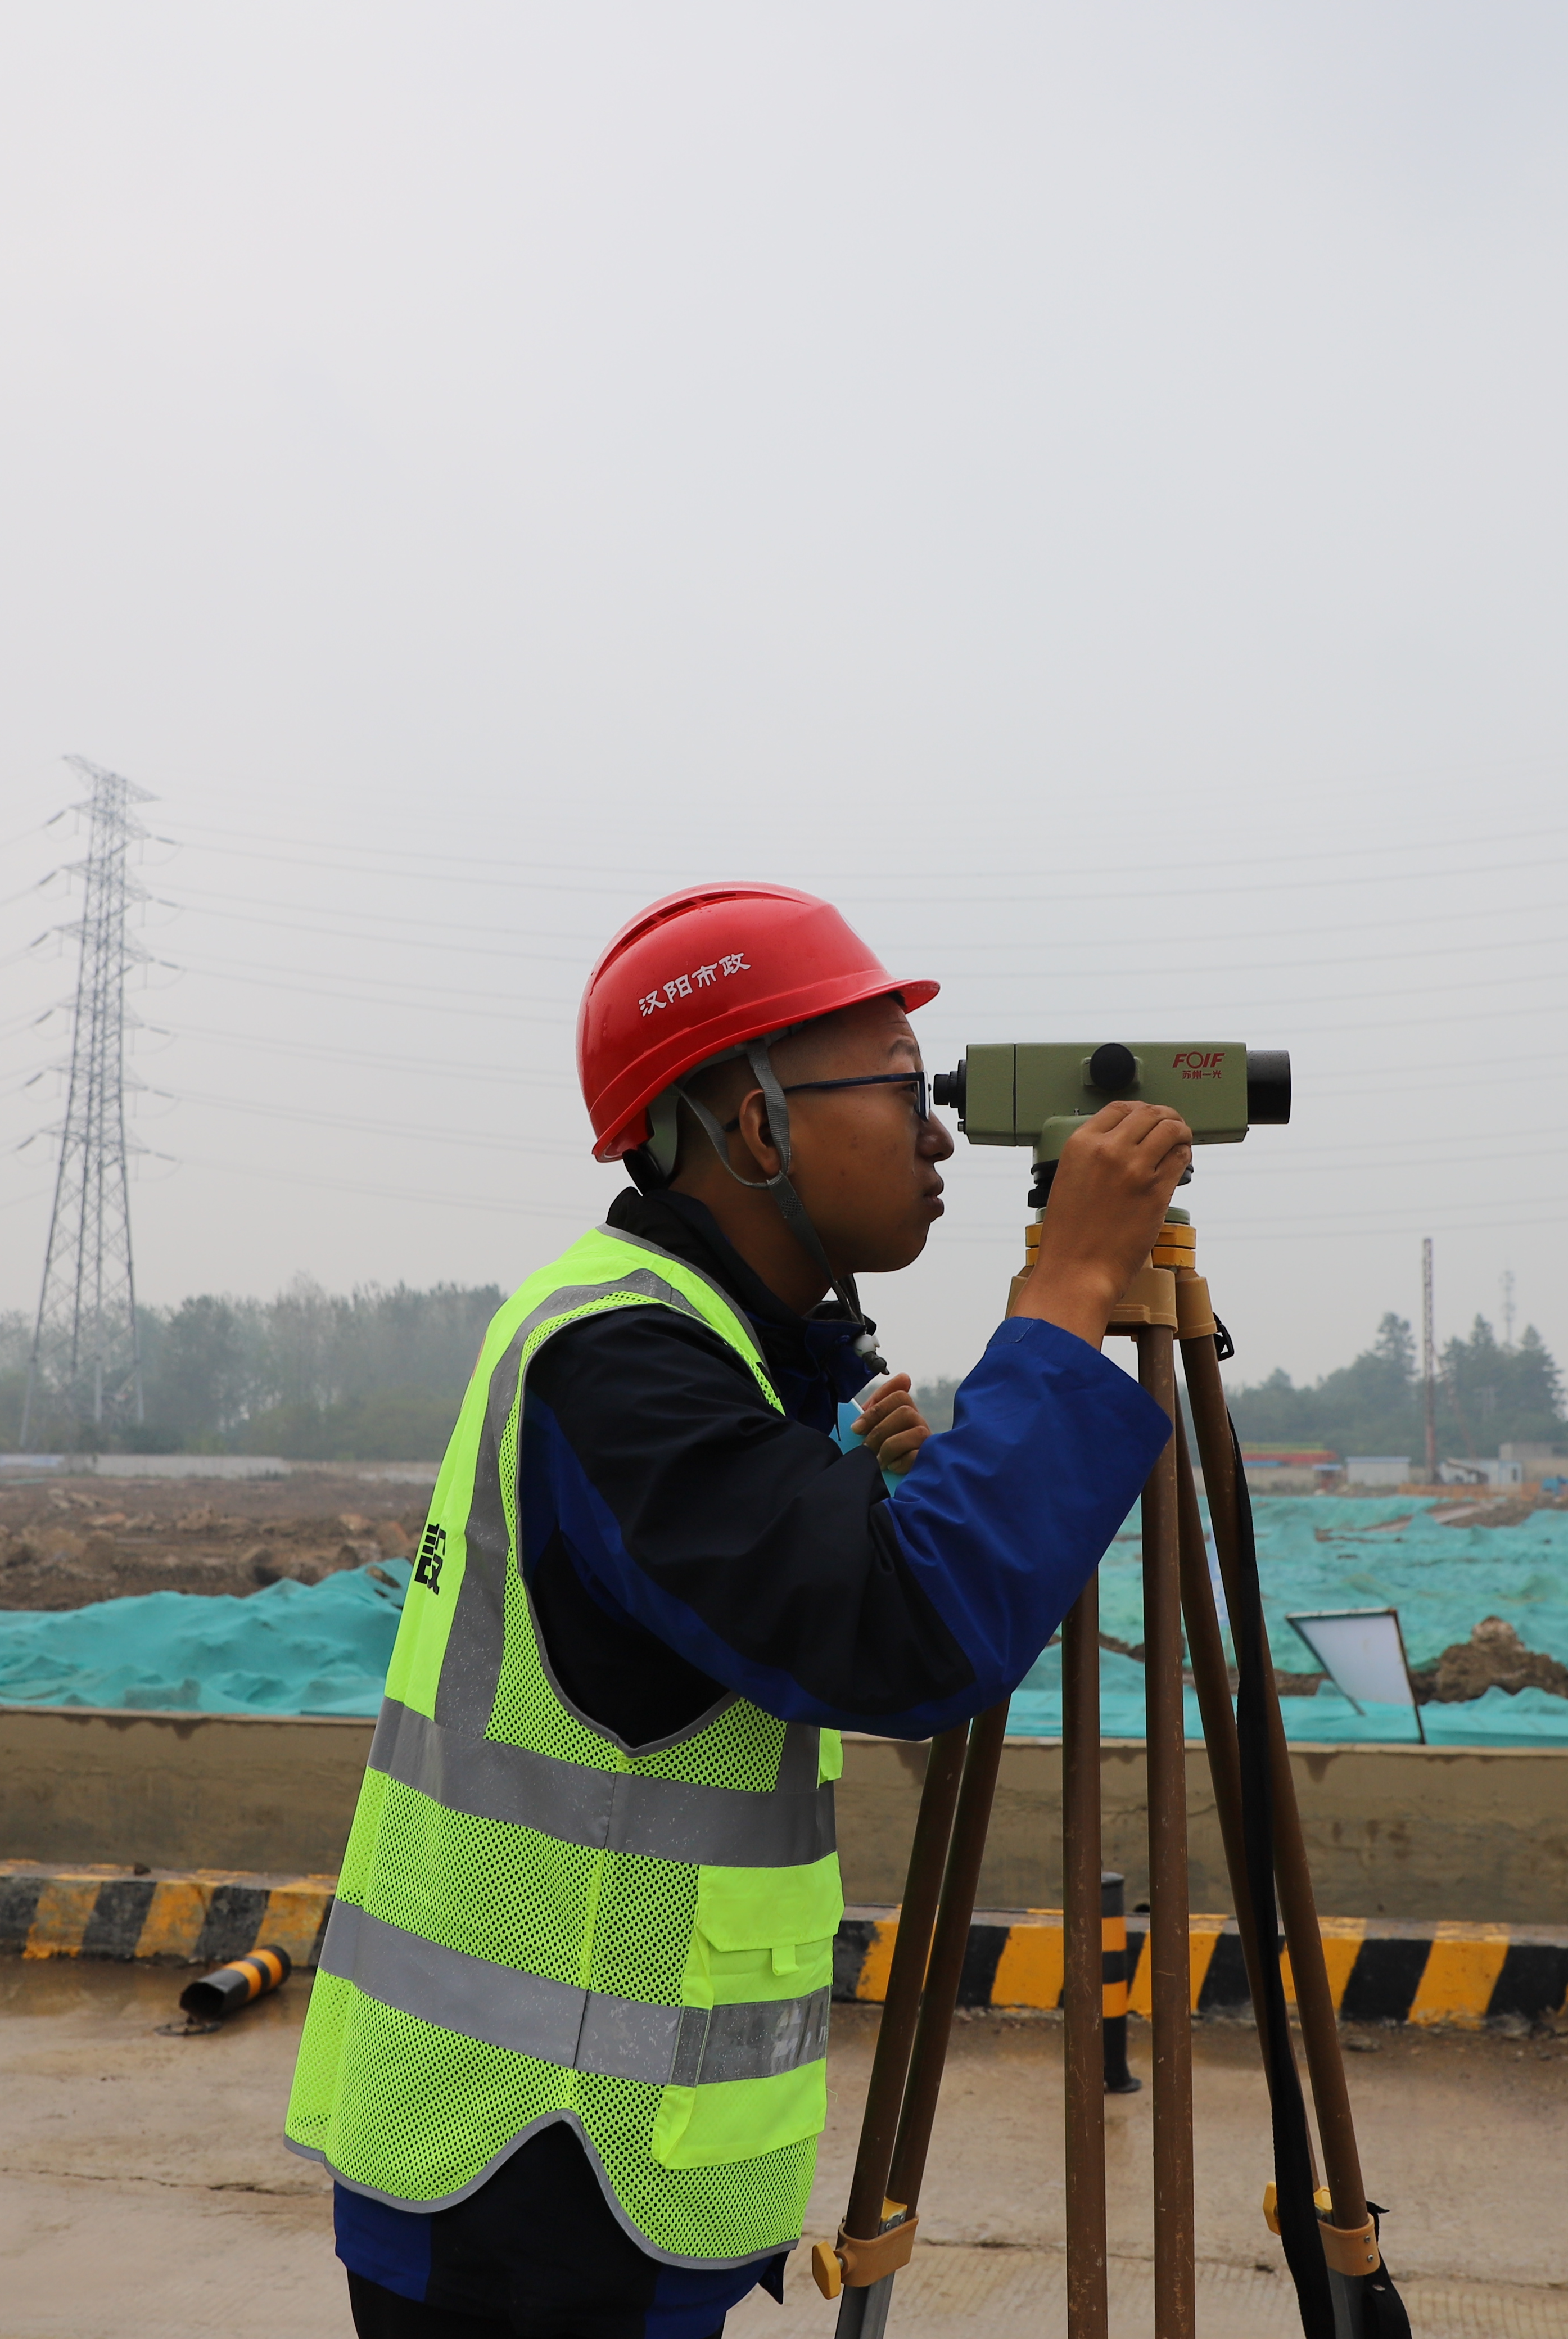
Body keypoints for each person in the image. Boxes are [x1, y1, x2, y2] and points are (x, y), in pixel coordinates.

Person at [284, 881, 1193, 2339]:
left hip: (598, 2177)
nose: (943, 1135)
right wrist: (1073, 1289)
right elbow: (908, 1639)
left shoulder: (736, 1358)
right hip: (528, 2179)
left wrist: (862, 1441)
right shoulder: (624, 1366)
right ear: (758, 1128)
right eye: (901, 1093)